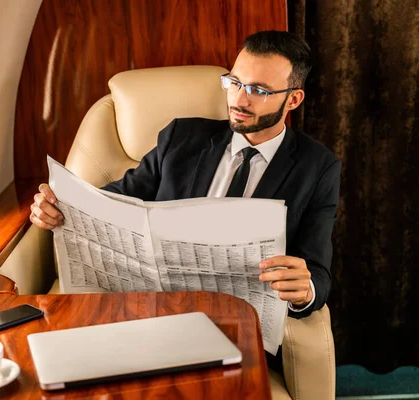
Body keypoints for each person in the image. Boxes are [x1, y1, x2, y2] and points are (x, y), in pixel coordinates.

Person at [29, 30, 341, 371]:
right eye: (234, 82)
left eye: (258, 91)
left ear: (293, 99)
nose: (239, 100)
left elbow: (318, 275)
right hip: (152, 311)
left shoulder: (318, 167)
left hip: (236, 327)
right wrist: (61, 208)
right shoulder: (182, 137)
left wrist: (304, 289)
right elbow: (113, 201)